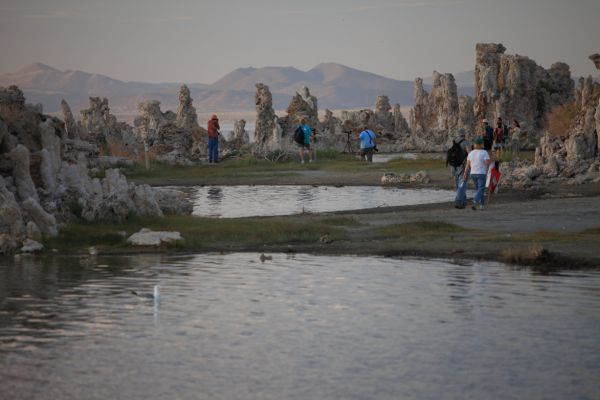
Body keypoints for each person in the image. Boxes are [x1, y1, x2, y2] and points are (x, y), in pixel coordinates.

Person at [464, 136, 492, 210]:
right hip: (481, 173)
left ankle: (482, 205)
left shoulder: (471, 153)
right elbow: (487, 162)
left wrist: (465, 173)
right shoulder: (484, 152)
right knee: (481, 189)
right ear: (481, 144)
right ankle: (475, 200)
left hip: (473, 174)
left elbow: (467, 165)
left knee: (479, 189)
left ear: (475, 144)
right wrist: (490, 160)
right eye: (482, 143)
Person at [449, 128, 471, 209]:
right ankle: (458, 201)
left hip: (454, 166)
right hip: (463, 166)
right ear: (464, 134)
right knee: (462, 184)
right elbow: (470, 154)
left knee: (459, 184)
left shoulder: (453, 142)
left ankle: (463, 201)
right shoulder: (466, 142)